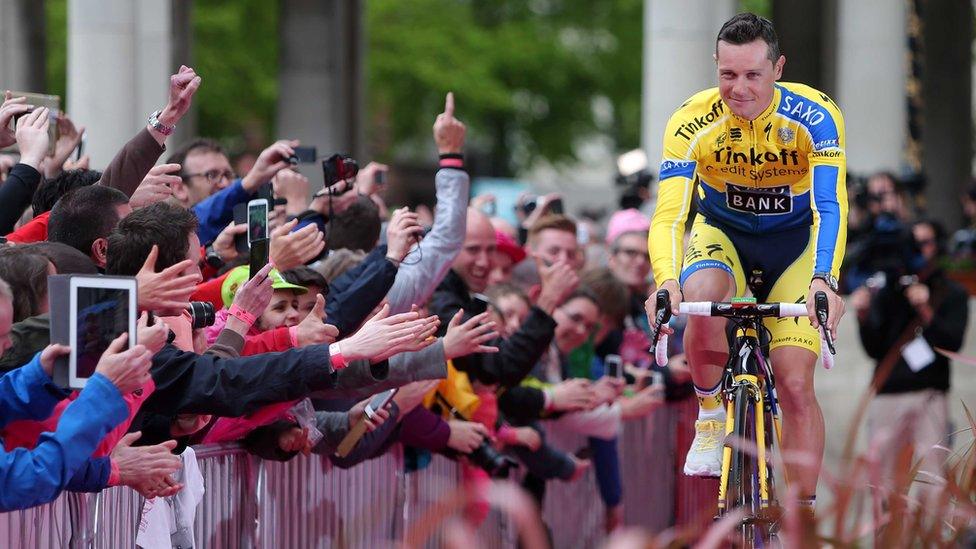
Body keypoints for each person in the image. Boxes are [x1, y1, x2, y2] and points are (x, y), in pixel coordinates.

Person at [645, 12, 847, 510]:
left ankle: (801, 518)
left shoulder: (815, 114)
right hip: (723, 236)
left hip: (794, 247)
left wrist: (825, 278)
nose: (738, 88)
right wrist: (666, 282)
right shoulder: (691, 119)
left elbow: (829, 205)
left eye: (752, 74)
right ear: (716, 65)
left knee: (796, 382)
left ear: (777, 68)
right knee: (702, 296)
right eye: (727, 74)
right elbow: (670, 215)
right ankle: (711, 418)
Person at [853, 219, 968, 504]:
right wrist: (863, 315)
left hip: (929, 394)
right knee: (884, 484)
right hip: (888, 393)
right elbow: (874, 348)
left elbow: (952, 343)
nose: (917, 251)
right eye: (912, 244)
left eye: (925, 243)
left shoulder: (951, 292)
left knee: (932, 479)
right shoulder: (889, 291)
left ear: (937, 246)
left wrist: (925, 309)